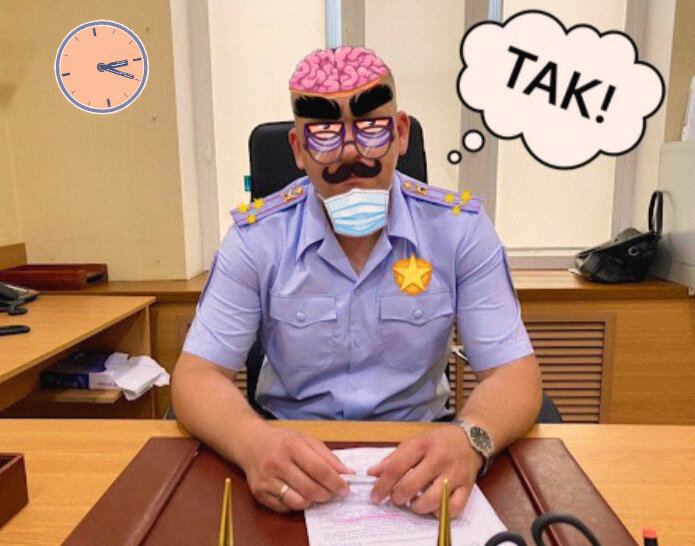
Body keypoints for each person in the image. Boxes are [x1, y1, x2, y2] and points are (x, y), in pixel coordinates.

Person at [172, 46, 542, 519]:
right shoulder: (256, 237)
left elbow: (514, 374)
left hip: (421, 457)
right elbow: (197, 376)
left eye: (370, 127)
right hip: (289, 457)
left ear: (401, 134)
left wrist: (471, 439)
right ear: (298, 150)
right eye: (325, 134)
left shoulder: (459, 230)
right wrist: (253, 443)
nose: (350, 151)